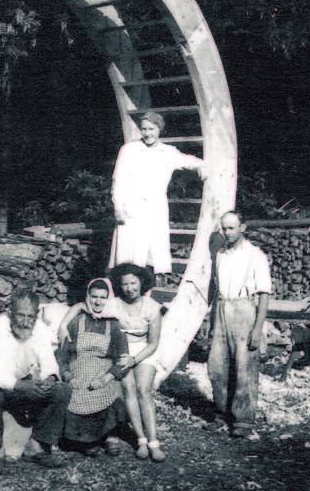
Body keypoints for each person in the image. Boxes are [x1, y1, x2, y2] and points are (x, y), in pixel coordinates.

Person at [58, 263, 165, 462]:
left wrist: (135, 359)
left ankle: (154, 442)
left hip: (144, 351)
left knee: (143, 389)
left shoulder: (152, 307)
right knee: (127, 388)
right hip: (122, 350)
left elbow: (154, 343)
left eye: (133, 283)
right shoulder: (113, 303)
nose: (129, 288)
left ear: (141, 283)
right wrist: (64, 324)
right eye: (124, 284)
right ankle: (141, 441)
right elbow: (83, 304)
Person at [0, 289, 71, 476]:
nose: (26, 322)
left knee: (62, 390)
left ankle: (37, 446)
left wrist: (49, 378)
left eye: (30, 317)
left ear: (36, 315)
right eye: (21, 315)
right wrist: (17, 385)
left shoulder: (40, 329)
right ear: (10, 313)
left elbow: (48, 362)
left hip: (23, 386)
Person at [109, 111, 208, 275]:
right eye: (144, 129)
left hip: (155, 209)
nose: (147, 133)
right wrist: (118, 208)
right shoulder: (129, 150)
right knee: (128, 257)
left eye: (151, 129)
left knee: (150, 256)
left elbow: (189, 161)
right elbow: (117, 181)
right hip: (131, 209)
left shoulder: (168, 152)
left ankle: (146, 295)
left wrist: (202, 166)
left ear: (159, 129)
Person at [207, 211, 272, 438]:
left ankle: (243, 420)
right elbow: (216, 291)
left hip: (245, 311)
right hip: (223, 309)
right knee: (216, 367)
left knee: (244, 368)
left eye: (232, 228)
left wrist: (257, 329)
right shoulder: (221, 255)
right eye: (224, 228)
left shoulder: (255, 255)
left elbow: (264, 294)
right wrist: (212, 321)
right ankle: (221, 414)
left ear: (242, 227)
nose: (227, 232)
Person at [57, 278, 129, 456]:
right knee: (77, 395)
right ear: (87, 297)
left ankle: (110, 435)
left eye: (103, 297)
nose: (98, 302)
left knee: (108, 392)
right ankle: (88, 439)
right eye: (94, 296)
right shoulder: (76, 322)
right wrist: (67, 376)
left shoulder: (114, 324)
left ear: (109, 299)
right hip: (78, 371)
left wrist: (106, 377)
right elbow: (62, 356)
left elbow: (123, 359)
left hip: (104, 372)